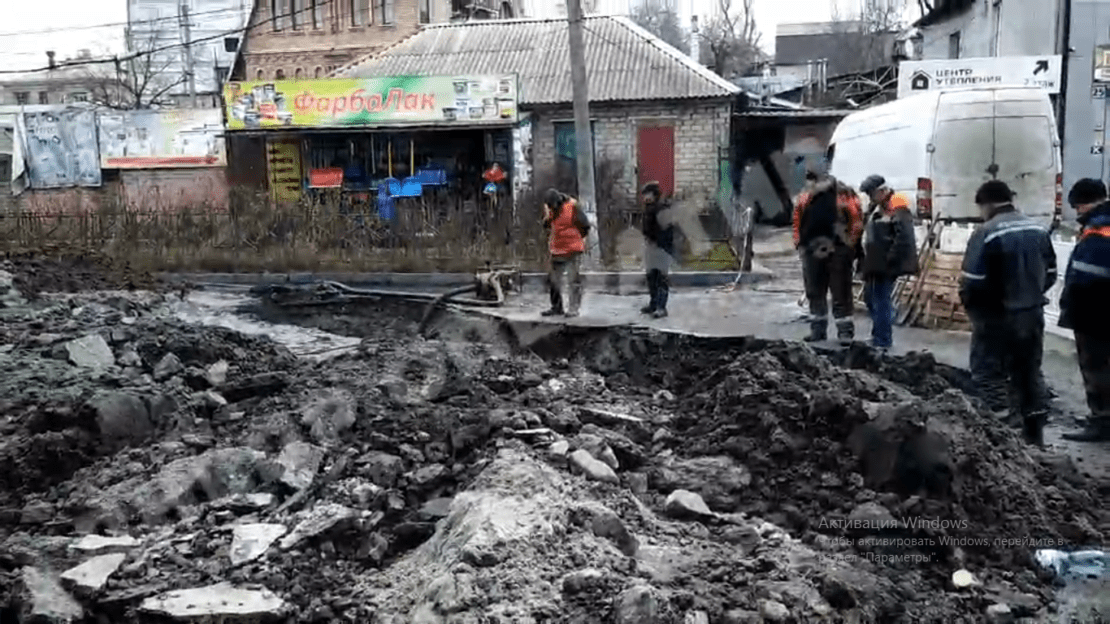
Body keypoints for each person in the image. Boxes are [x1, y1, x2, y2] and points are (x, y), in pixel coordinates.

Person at [959, 180, 1057, 445]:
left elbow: (972, 282)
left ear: (986, 204)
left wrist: (976, 311)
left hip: (996, 317)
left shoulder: (986, 233)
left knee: (988, 374)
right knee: (1029, 371)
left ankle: (1001, 433)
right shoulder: (1038, 229)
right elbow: (1050, 275)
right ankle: (1034, 433)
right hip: (1031, 314)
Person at [1059, 178, 1110, 442]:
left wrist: (1072, 306)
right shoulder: (1098, 225)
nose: (1076, 213)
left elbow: (1088, 277)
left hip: (1094, 315)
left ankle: (1101, 422)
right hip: (1098, 312)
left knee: (1096, 370)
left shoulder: (1099, 229)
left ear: (1082, 203)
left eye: (1076, 207)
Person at [793, 172, 864, 343]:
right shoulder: (805, 197)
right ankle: (818, 330)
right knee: (814, 291)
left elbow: (856, 221)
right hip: (812, 250)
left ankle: (845, 332)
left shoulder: (844, 195)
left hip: (838, 250)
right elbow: (797, 220)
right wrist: (799, 244)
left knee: (841, 291)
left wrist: (849, 246)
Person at [858, 175, 919, 351]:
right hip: (874, 260)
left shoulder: (897, 205)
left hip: (886, 263)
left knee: (880, 299)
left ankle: (883, 340)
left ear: (882, 190)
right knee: (870, 298)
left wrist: (890, 261)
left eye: (871, 193)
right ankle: (880, 333)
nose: (869, 197)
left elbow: (904, 237)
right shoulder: (876, 207)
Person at [542, 188, 591, 318]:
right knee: (553, 280)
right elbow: (546, 225)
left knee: (573, 279)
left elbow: (585, 225)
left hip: (572, 249)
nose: (552, 208)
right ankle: (556, 307)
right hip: (557, 249)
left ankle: (573, 308)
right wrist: (547, 216)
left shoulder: (573, 206)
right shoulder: (551, 209)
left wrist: (579, 240)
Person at [640, 181, 676, 319]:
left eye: (647, 194)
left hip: (662, 248)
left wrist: (659, 244)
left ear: (654, 194)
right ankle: (654, 303)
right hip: (651, 247)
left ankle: (661, 307)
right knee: (651, 277)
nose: (644, 197)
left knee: (661, 278)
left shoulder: (662, 209)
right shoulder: (649, 209)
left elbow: (667, 231)